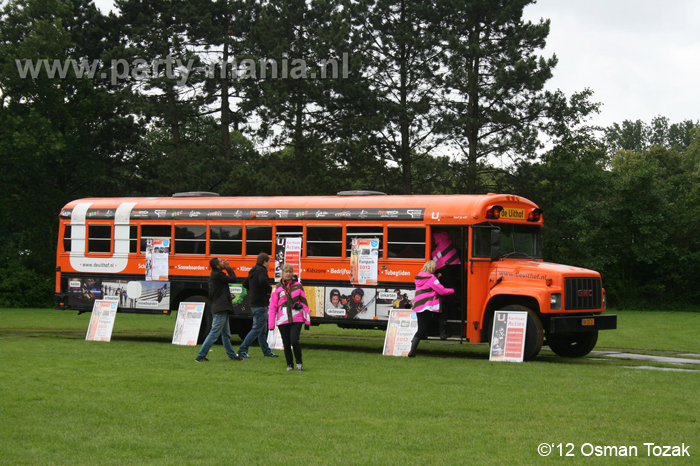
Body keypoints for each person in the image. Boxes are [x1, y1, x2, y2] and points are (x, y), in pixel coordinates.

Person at [195, 257, 244, 362]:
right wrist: (228, 267)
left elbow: (216, 293)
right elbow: (233, 278)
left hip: (221, 307)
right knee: (214, 333)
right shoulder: (219, 275)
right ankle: (200, 356)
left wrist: (227, 296)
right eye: (221, 262)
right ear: (218, 266)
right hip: (220, 309)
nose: (223, 262)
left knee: (226, 334)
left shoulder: (214, 276)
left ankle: (232, 355)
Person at [408, 260, 455, 357]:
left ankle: (412, 349)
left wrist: (436, 278)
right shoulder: (431, 278)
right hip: (427, 305)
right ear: (432, 268)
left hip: (419, 305)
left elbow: (428, 284)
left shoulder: (419, 276)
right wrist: (453, 290)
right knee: (443, 311)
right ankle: (443, 334)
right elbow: (442, 291)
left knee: (422, 328)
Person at [268, 264, 310, 371]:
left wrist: (307, 320)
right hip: (283, 319)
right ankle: (289, 364)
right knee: (286, 343)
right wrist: (271, 325)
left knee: (294, 340)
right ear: (282, 273)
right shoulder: (277, 288)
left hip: (297, 318)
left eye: (290, 272)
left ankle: (299, 363)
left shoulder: (298, 286)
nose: (288, 274)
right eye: (286, 272)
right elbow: (273, 307)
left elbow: (304, 304)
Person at [238, 252, 278, 358]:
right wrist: (270, 290)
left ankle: (267, 351)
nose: (269, 264)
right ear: (264, 262)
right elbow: (262, 281)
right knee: (257, 329)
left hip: (254, 303)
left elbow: (245, 284)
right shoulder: (262, 271)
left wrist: (254, 291)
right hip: (261, 303)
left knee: (262, 330)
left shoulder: (253, 270)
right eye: (269, 262)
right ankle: (242, 349)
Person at [432, 230, 461, 339]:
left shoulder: (434, 235)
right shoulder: (445, 234)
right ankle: (453, 314)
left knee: (446, 293)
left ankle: (450, 313)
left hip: (444, 264)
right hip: (453, 263)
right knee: (451, 290)